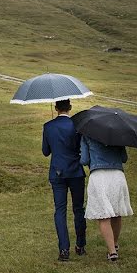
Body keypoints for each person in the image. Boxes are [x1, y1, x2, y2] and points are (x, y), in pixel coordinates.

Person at [42, 99, 86, 261]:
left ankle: (64, 250)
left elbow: (45, 152)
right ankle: (80, 245)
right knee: (78, 209)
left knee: (60, 210)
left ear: (56, 108)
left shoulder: (48, 126)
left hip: (57, 173)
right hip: (76, 172)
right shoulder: (77, 126)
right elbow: (81, 148)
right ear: (70, 108)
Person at [81, 135, 133, 262]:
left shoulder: (87, 135)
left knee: (104, 215)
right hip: (117, 175)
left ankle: (112, 252)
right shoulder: (118, 134)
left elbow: (84, 160)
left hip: (99, 175)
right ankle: (114, 244)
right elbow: (124, 158)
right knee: (117, 212)